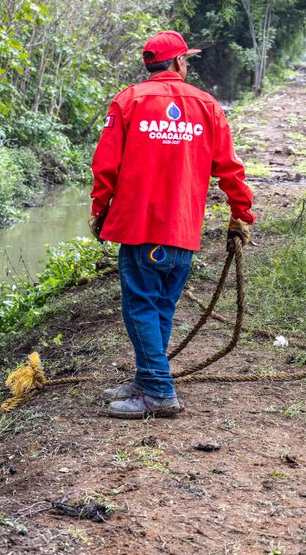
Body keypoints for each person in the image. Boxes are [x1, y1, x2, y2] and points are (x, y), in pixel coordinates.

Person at [90, 30, 255, 420]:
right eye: (186, 59)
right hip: (183, 229)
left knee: (141, 307)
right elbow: (230, 169)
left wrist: (100, 210)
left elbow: (105, 166)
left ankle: (158, 392)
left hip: (140, 228)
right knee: (160, 306)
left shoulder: (129, 101)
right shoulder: (207, 106)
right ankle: (146, 380)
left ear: (149, 65)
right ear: (179, 62)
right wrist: (240, 214)